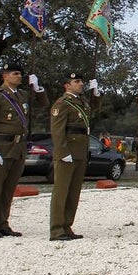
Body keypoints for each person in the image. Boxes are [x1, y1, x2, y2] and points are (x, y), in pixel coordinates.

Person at [0, 62, 47, 239]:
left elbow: (44, 103)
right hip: (1, 147)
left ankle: (3, 223)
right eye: (15, 73)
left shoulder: (22, 95)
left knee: (8, 189)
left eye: (20, 74)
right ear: (5, 76)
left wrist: (38, 89)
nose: (19, 76)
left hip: (18, 148)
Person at [49, 72, 101, 241]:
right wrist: (63, 152)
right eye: (76, 81)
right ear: (67, 86)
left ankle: (67, 226)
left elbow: (94, 110)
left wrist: (96, 94)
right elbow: (57, 131)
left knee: (73, 193)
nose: (81, 84)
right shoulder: (62, 103)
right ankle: (57, 229)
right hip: (68, 153)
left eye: (81, 81)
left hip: (80, 152)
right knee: (61, 192)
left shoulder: (81, 102)